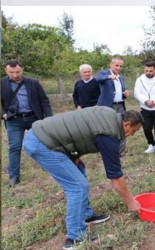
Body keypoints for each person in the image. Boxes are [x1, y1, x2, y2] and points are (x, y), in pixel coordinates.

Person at [23, 106, 144, 249]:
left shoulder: (110, 114)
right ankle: (74, 238)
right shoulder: (109, 135)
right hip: (42, 144)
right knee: (78, 186)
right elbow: (116, 177)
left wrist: (74, 155)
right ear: (126, 124)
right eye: (134, 130)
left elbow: (81, 128)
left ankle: (86, 215)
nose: (133, 134)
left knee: (79, 170)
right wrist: (130, 202)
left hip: (45, 136)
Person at [1, 59, 53, 186]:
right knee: (15, 147)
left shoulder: (33, 83)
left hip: (34, 118)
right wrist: (3, 113)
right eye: (11, 72)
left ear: (22, 70)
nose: (15, 75)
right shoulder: (2, 83)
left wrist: (49, 118)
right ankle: (14, 177)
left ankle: (51, 170)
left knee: (44, 144)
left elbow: (44, 101)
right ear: (6, 71)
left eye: (17, 72)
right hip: (14, 120)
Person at [97, 57, 130, 155]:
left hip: (120, 105)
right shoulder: (104, 74)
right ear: (111, 65)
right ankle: (109, 150)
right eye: (117, 65)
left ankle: (121, 151)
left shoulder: (121, 77)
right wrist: (109, 77)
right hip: (108, 106)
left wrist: (125, 95)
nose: (119, 68)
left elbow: (119, 92)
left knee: (122, 127)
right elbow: (98, 79)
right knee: (108, 128)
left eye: (121, 66)